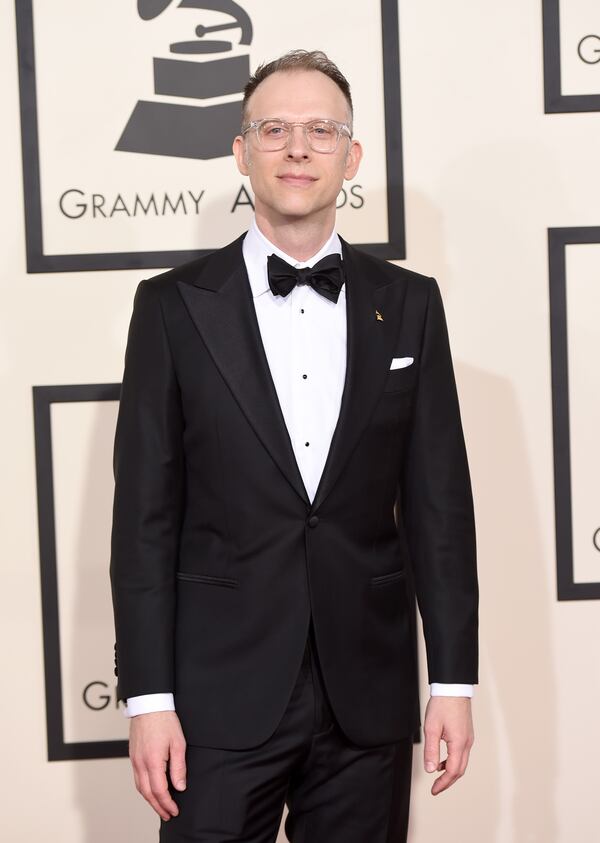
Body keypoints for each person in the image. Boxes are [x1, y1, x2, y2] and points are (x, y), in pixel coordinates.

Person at [110, 49, 478, 842]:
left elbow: (439, 508)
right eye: (274, 128)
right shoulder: (172, 309)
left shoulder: (410, 305)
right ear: (241, 152)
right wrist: (147, 699)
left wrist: (452, 679)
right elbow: (143, 521)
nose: (298, 148)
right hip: (215, 699)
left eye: (321, 129)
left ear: (353, 156)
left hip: (366, 696)